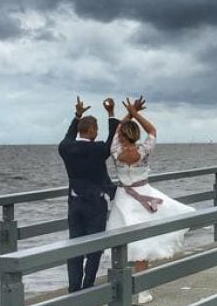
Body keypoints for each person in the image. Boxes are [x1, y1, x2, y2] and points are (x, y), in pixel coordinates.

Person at [107, 97, 195, 289]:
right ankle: (143, 288)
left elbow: (115, 130)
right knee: (143, 242)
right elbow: (152, 131)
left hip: (124, 198)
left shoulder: (115, 150)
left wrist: (129, 113)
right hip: (144, 192)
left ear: (123, 136)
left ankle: (121, 286)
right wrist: (136, 113)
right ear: (135, 135)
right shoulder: (144, 150)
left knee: (123, 241)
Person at [58, 96, 119, 292]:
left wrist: (77, 115)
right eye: (96, 128)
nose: (98, 131)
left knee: (74, 246)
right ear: (91, 130)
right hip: (96, 205)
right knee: (94, 248)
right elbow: (113, 138)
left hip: (75, 204)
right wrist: (111, 113)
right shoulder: (98, 149)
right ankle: (87, 286)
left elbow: (68, 136)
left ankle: (74, 287)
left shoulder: (65, 148)